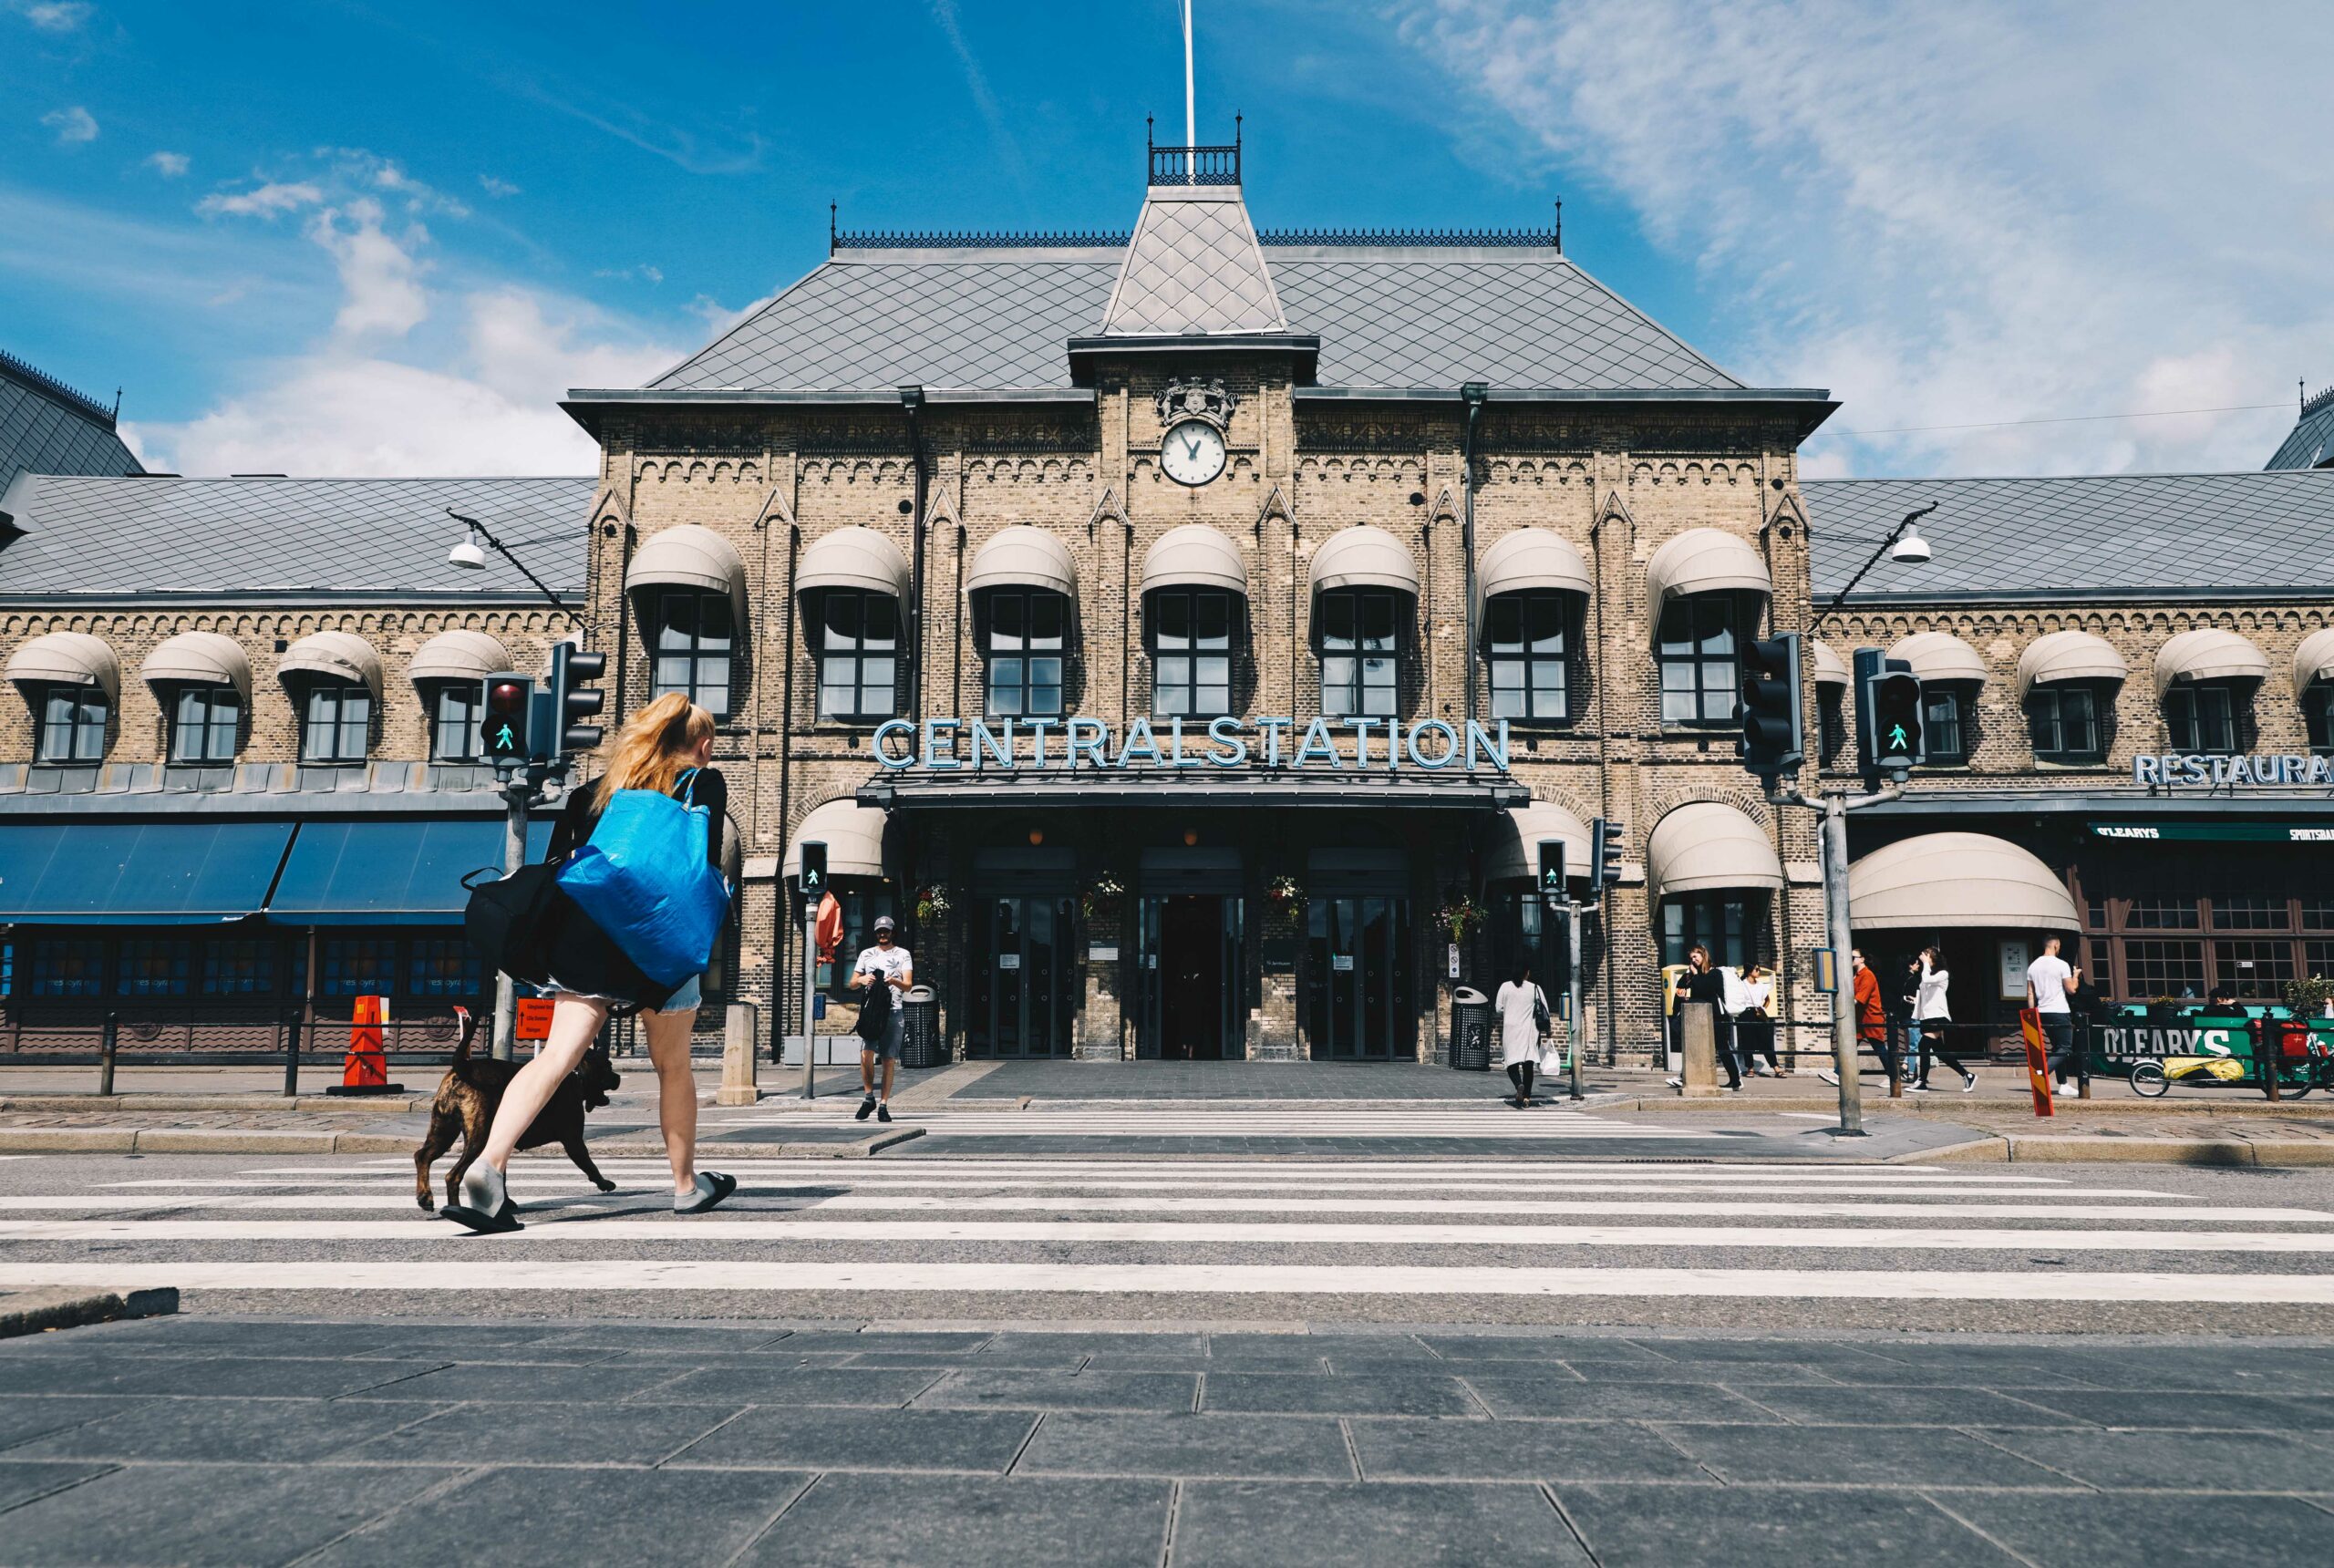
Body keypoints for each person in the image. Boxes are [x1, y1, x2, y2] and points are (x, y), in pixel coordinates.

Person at [446, 692, 736, 1233]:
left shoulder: (589, 796)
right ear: (700, 744)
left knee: (554, 1058)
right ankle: (685, 1187)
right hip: (659, 944)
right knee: (672, 1066)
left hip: (586, 944)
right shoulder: (703, 783)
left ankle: (488, 1167)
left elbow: (562, 871)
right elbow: (700, 862)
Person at [851, 915, 913, 1121]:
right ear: (875, 933)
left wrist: (893, 980)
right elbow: (851, 983)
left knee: (888, 1059)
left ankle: (884, 1104)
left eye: (886, 931)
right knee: (866, 1054)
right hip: (871, 1012)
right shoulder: (866, 954)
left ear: (892, 932)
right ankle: (869, 1097)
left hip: (893, 1010)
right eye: (879, 931)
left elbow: (908, 985)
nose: (883, 934)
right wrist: (861, 979)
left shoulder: (903, 954)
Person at [1666, 944, 1740, 1090]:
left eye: (1696, 956)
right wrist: (1675, 1013)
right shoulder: (1689, 975)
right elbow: (1680, 993)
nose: (1693, 960)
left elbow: (1705, 990)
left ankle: (1736, 1080)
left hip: (1716, 1016)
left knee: (1722, 1046)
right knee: (1695, 1046)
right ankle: (1684, 1077)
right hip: (1695, 1017)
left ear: (1703, 955)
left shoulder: (1714, 973)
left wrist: (1694, 976)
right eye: (1691, 958)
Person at [1820, 948, 1893, 1088]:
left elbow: (1859, 999)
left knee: (1879, 1048)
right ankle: (1838, 1073)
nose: (1850, 959)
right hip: (1860, 1019)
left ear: (1862, 959)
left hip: (1871, 1018)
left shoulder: (1867, 976)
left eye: (1853, 957)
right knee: (1850, 1046)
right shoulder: (1857, 975)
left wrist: (1842, 1007)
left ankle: (1893, 1076)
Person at [1908, 946, 1976, 1092]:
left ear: (1932, 957)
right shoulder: (1928, 972)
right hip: (1927, 1016)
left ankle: (1922, 1082)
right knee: (1940, 1051)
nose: (1922, 956)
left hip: (1937, 1015)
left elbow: (1927, 980)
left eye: (1925, 954)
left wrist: (1925, 963)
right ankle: (1967, 1075)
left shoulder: (1942, 974)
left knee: (1923, 1046)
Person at [2025, 934, 2080, 1096]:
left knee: (2057, 1048)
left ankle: (2063, 1084)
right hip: (2059, 1011)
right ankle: (2041, 1073)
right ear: (2056, 946)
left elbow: (2030, 993)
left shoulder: (2033, 966)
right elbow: (2071, 990)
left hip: (2042, 1012)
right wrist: (2075, 975)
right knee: (2066, 1047)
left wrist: (2032, 1014)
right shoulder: (2061, 964)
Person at [1493, 963, 1550, 1108]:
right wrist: (1548, 1030)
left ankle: (1519, 1084)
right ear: (1527, 973)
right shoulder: (1534, 988)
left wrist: (1511, 1008)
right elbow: (1545, 1010)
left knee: (1511, 1062)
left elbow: (1498, 1009)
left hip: (1510, 1029)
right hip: (1529, 1030)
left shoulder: (1505, 986)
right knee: (1528, 1064)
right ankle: (1527, 1097)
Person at [1730, 963, 1782, 1077]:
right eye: (1757, 969)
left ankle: (1776, 1068)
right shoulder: (1741, 985)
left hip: (1759, 1013)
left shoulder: (1761, 985)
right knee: (1747, 1041)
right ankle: (1750, 1068)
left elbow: (1767, 999)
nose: (1759, 972)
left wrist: (1763, 1009)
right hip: (1746, 1012)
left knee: (1765, 1041)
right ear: (1750, 972)